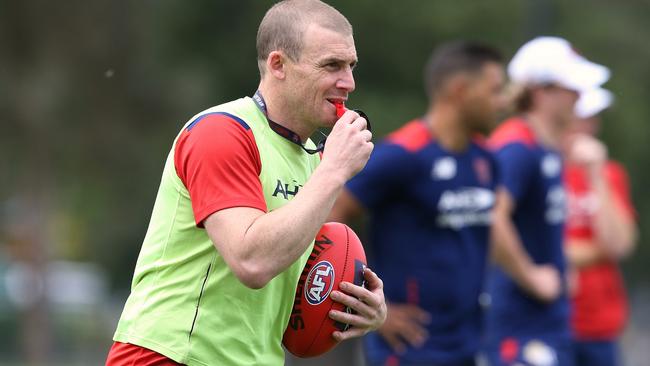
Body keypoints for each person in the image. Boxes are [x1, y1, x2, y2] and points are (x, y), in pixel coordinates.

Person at [105, 1, 387, 365]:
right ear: (278, 65)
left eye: (351, 66)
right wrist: (334, 172)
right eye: (331, 65)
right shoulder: (221, 133)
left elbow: (297, 285)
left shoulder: (313, 159)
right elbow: (252, 262)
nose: (348, 82)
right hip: (171, 356)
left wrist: (361, 306)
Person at [329, 41, 507, 366]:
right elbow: (331, 212)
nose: (503, 101)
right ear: (460, 90)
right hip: (409, 346)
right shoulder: (402, 155)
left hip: (471, 343)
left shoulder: (486, 160)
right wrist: (365, 303)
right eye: (495, 90)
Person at [483, 36, 610, 366]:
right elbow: (492, 216)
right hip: (519, 325)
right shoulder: (517, 147)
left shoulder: (546, 148)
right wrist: (530, 275)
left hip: (547, 323)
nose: (580, 97)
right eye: (571, 88)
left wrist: (560, 266)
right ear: (541, 91)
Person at [564, 87, 637, 366]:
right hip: (550, 322)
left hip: (600, 326)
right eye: (583, 117)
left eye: (594, 118)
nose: (590, 126)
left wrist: (596, 175)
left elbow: (621, 244)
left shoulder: (610, 173)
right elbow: (540, 249)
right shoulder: (534, 165)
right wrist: (598, 250)